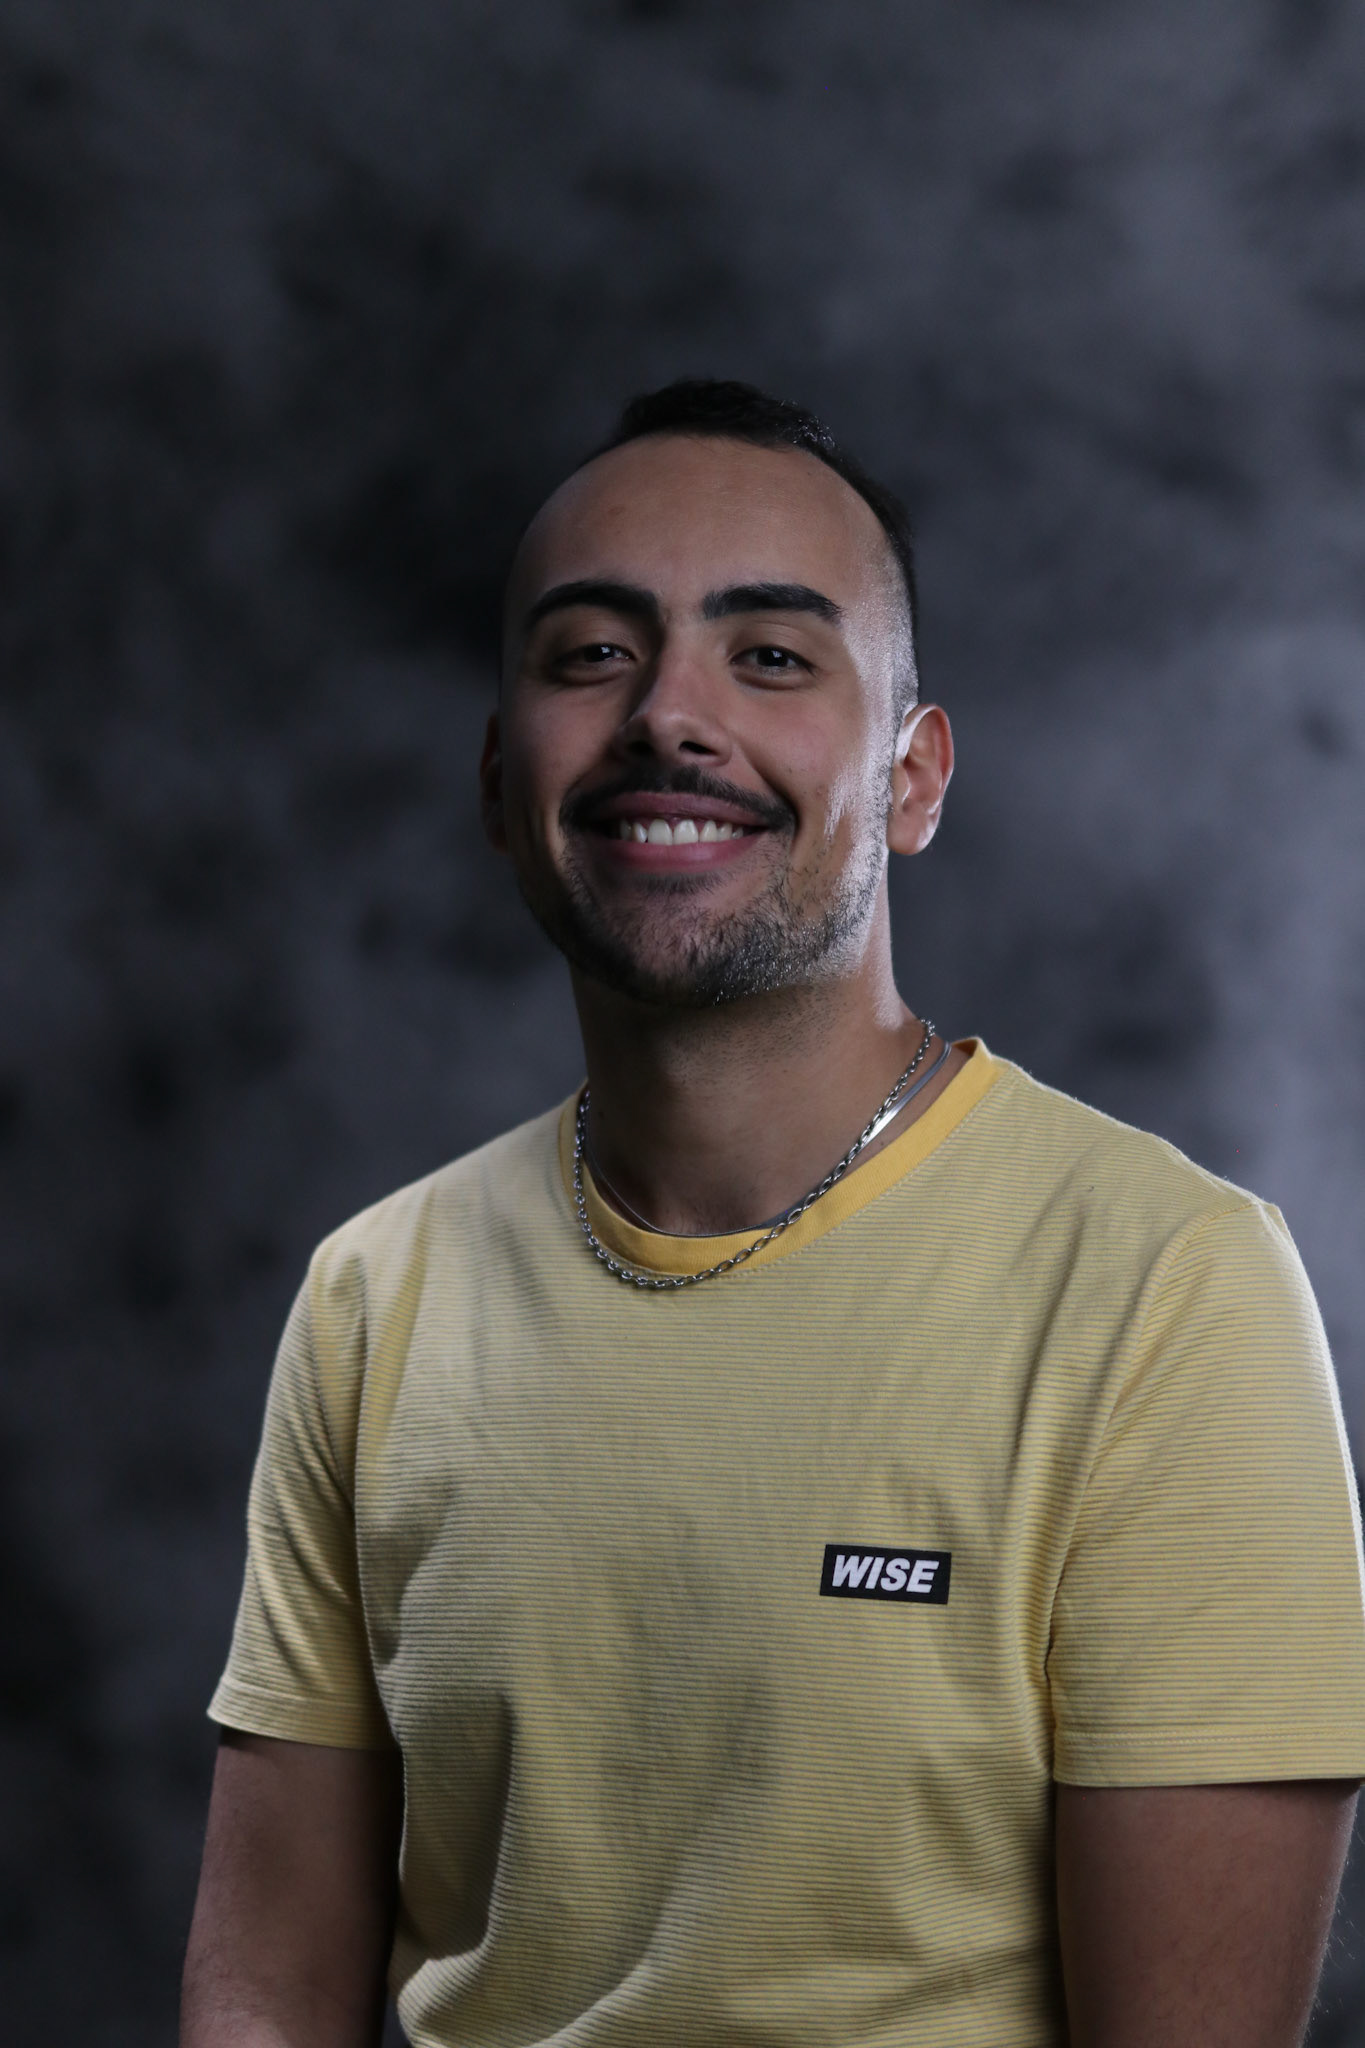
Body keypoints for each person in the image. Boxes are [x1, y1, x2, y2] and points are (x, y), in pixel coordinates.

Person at [181, 380, 1365, 2048]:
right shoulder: (375, 1297)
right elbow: (264, 1993)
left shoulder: (1164, 1288)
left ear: (911, 775)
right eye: (592, 652)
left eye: (772, 656)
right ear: (500, 781)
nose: (669, 714)